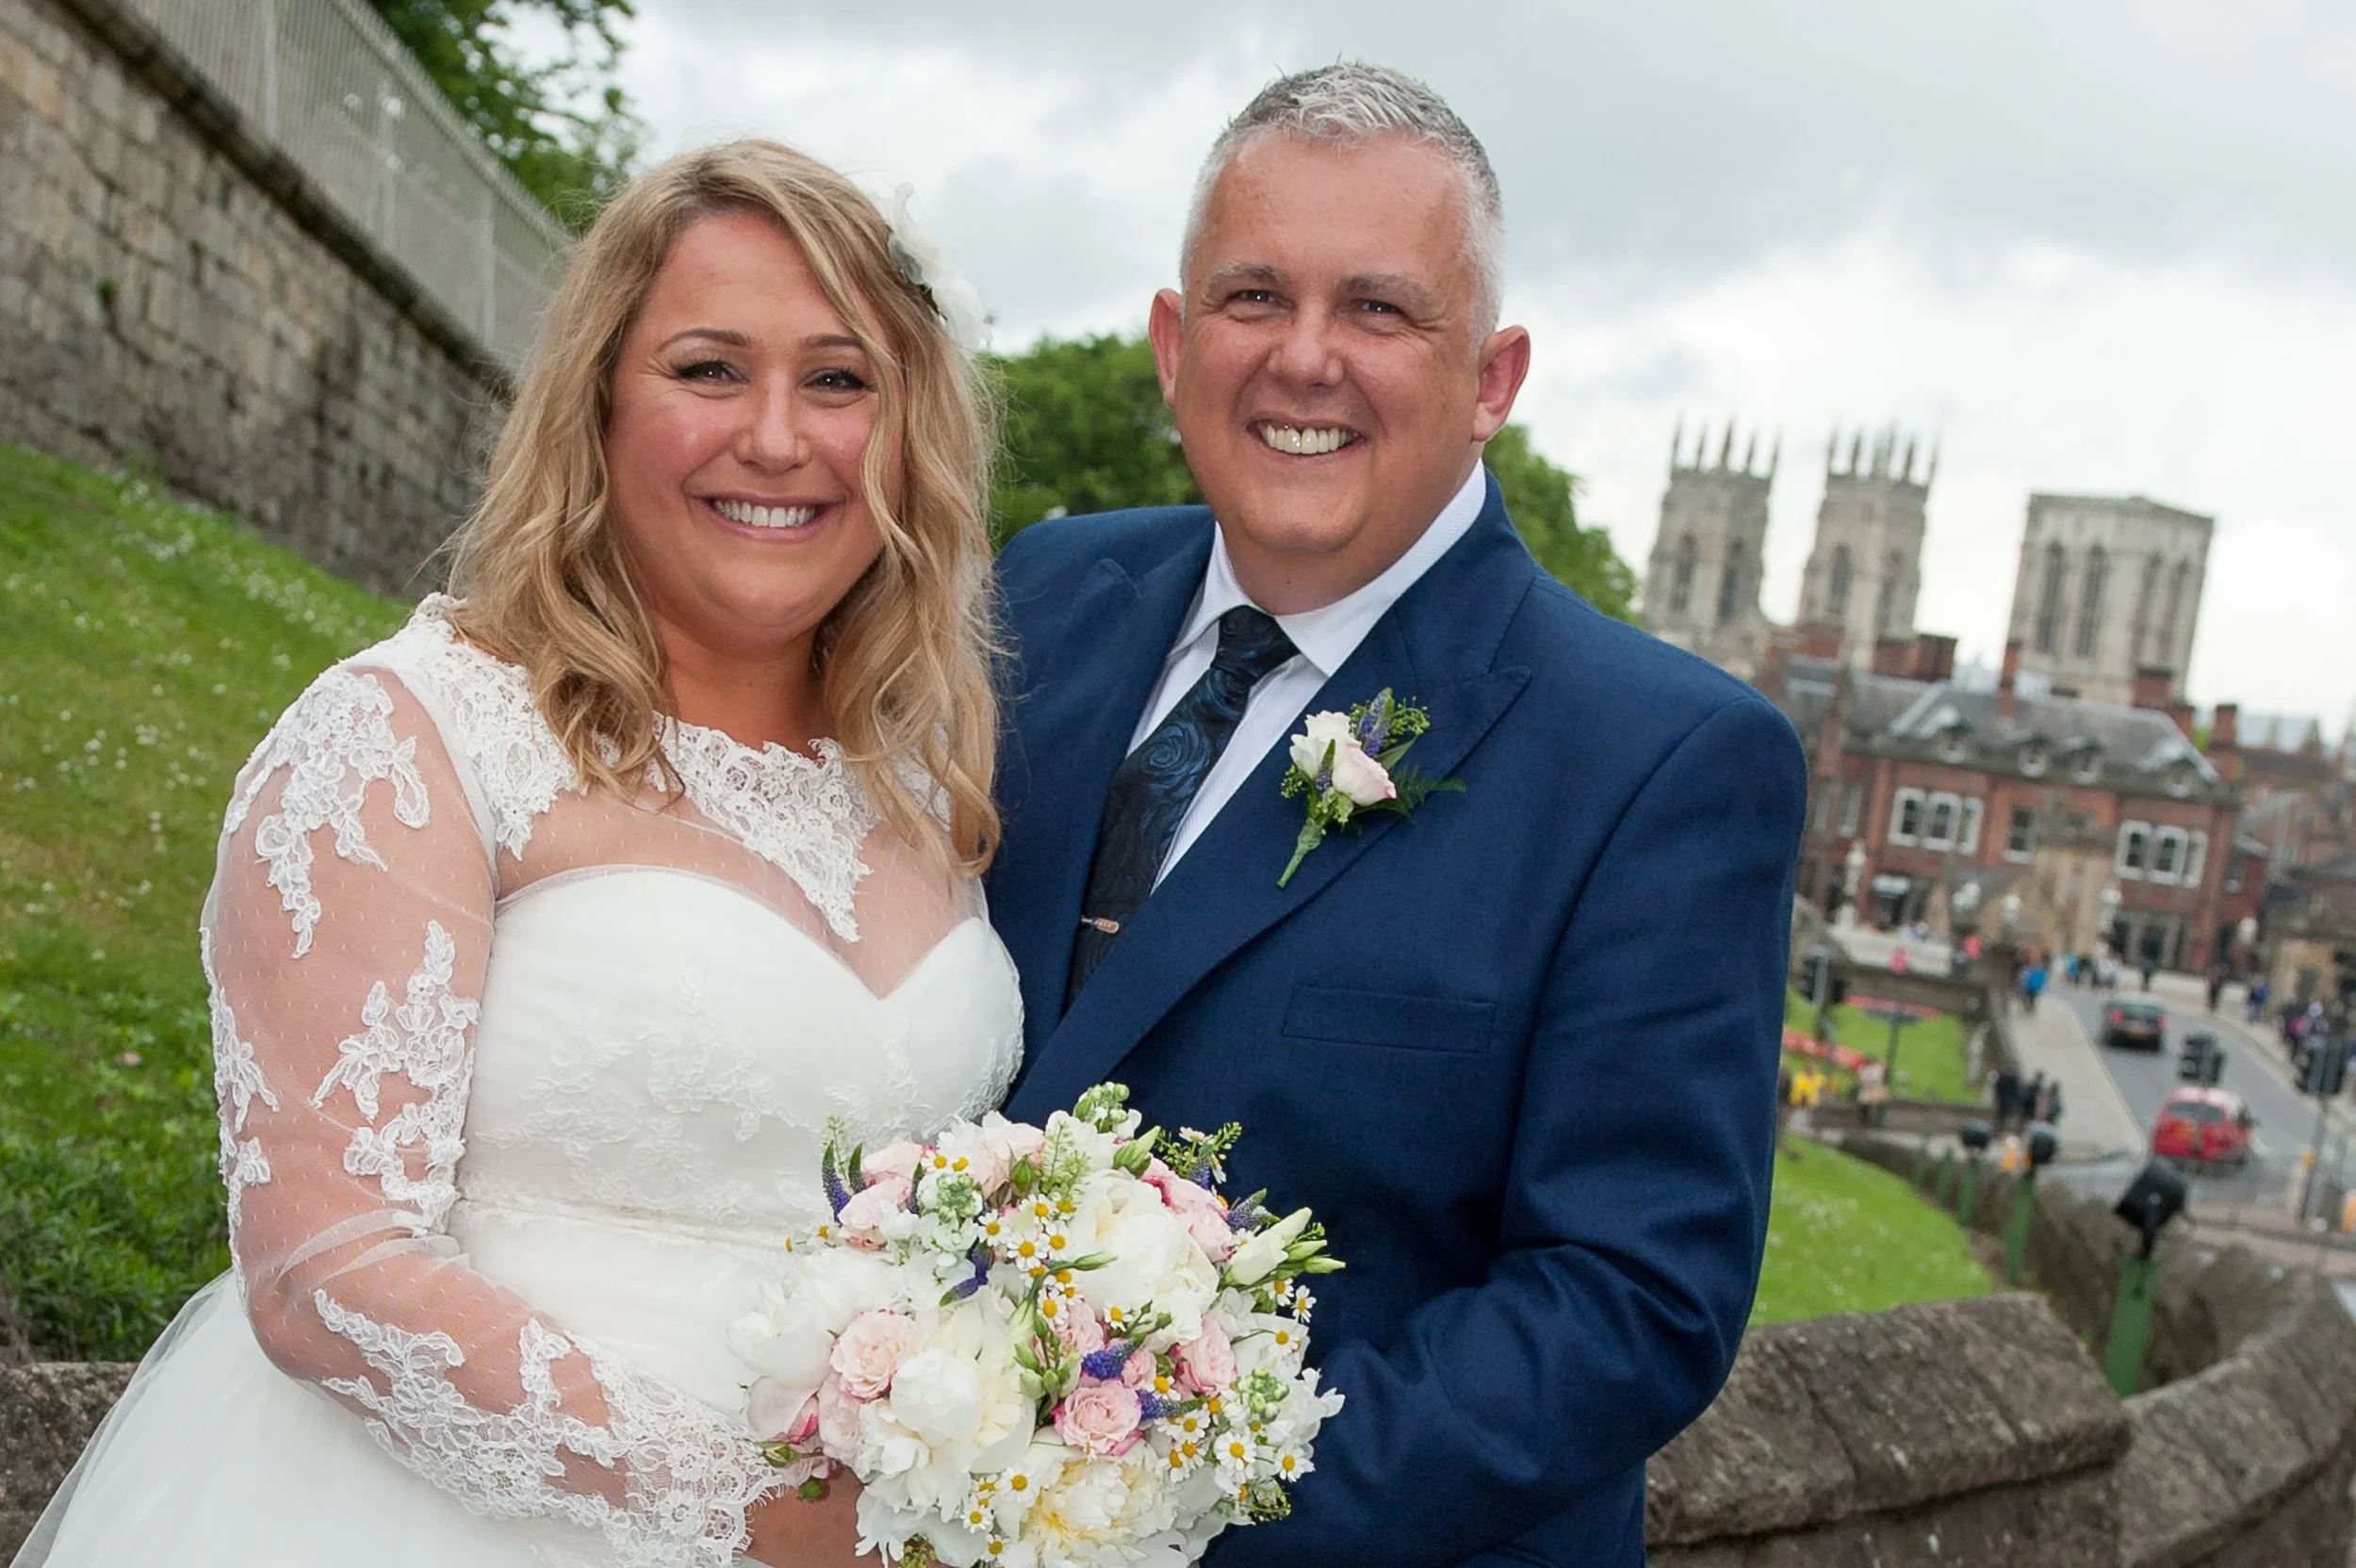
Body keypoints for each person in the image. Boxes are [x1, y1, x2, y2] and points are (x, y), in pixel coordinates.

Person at [18, 141, 1017, 1567]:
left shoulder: (921, 788)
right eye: (710, 369)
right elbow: (326, 1270)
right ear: (600, 401)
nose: (780, 437)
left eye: (841, 379)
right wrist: (755, 1517)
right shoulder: (417, 736)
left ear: (912, 427)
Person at [986, 63, 1808, 1567]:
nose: (1306, 360)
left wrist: (1145, 1507)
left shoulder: (1665, 762)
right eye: (1251, 298)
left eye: (1379, 309)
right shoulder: (1038, 596)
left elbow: (1629, 1307)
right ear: (1175, 346)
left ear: (1492, 377)